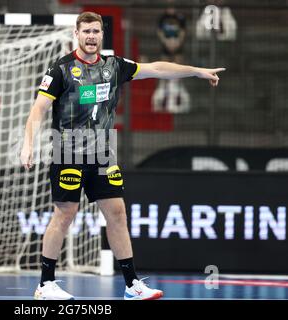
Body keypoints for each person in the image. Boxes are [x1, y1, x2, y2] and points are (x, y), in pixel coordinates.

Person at [20, 11, 225, 300]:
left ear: (102, 35)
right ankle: (45, 284)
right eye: (86, 31)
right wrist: (28, 144)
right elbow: (38, 109)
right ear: (76, 35)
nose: (91, 36)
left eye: (96, 31)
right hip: (68, 150)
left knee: (117, 214)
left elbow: (157, 68)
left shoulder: (114, 66)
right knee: (65, 214)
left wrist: (196, 71)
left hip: (103, 152)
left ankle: (132, 285)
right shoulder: (60, 70)